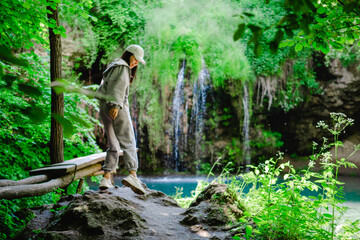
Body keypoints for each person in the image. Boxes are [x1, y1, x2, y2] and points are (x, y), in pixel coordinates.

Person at [96, 44, 146, 195]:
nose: (136, 63)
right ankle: (132, 175)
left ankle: (106, 178)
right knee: (129, 140)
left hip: (105, 105)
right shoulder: (123, 67)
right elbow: (119, 87)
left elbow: (105, 85)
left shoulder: (114, 64)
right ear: (129, 55)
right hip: (116, 106)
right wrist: (116, 105)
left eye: (138, 61)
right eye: (135, 59)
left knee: (114, 143)